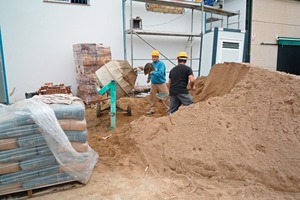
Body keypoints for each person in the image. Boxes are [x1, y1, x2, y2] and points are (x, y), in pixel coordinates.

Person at [145, 50, 169, 115]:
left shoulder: (161, 64)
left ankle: (169, 108)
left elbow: (161, 73)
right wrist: (149, 78)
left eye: (155, 57)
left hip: (161, 83)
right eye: (153, 57)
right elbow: (149, 72)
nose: (154, 58)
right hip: (153, 83)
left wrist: (153, 72)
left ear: (158, 57)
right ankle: (152, 109)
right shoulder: (151, 64)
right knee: (152, 96)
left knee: (166, 94)